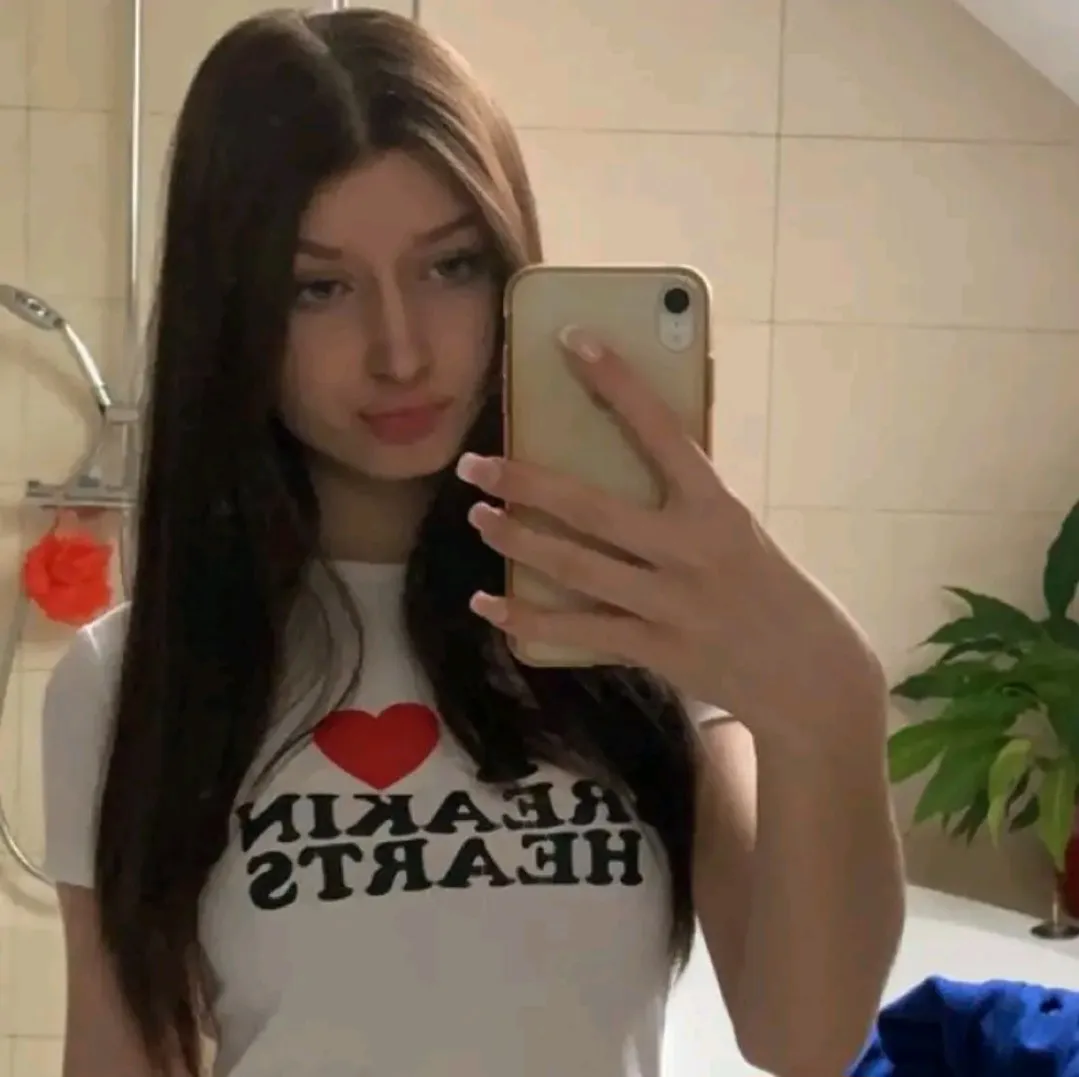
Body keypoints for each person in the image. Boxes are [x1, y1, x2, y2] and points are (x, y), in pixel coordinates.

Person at [39, 8, 905, 1077]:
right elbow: (121, 1056)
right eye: (319, 287)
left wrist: (831, 706)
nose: (399, 351)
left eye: (449, 266)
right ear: (234, 314)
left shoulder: (632, 620)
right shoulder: (128, 682)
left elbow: (803, 1038)